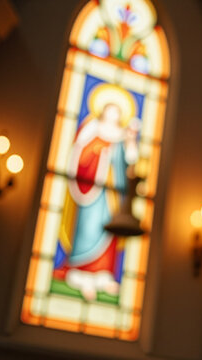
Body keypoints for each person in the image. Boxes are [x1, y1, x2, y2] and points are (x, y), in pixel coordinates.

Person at [54, 83, 140, 302]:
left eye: (117, 112)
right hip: (91, 191)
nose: (113, 114)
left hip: (113, 193)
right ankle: (80, 272)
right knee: (88, 228)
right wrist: (99, 151)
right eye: (111, 110)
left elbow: (130, 164)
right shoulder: (92, 129)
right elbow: (80, 156)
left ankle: (102, 275)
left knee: (109, 234)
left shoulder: (121, 134)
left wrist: (130, 141)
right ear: (103, 110)